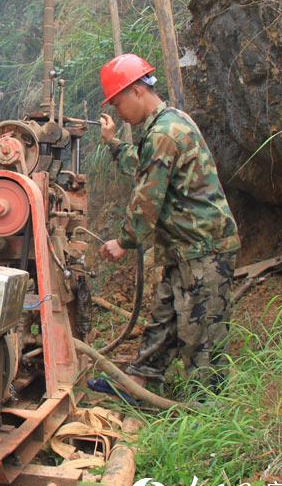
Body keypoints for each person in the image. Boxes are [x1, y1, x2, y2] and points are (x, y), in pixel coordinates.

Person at [97, 54, 241, 391]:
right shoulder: (168, 124)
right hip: (184, 248)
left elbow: (148, 195)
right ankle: (139, 383)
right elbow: (146, 164)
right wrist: (113, 143)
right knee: (164, 319)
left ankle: (209, 411)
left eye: (118, 103)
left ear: (136, 91)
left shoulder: (163, 133)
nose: (118, 112)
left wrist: (124, 241)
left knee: (202, 336)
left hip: (203, 249)